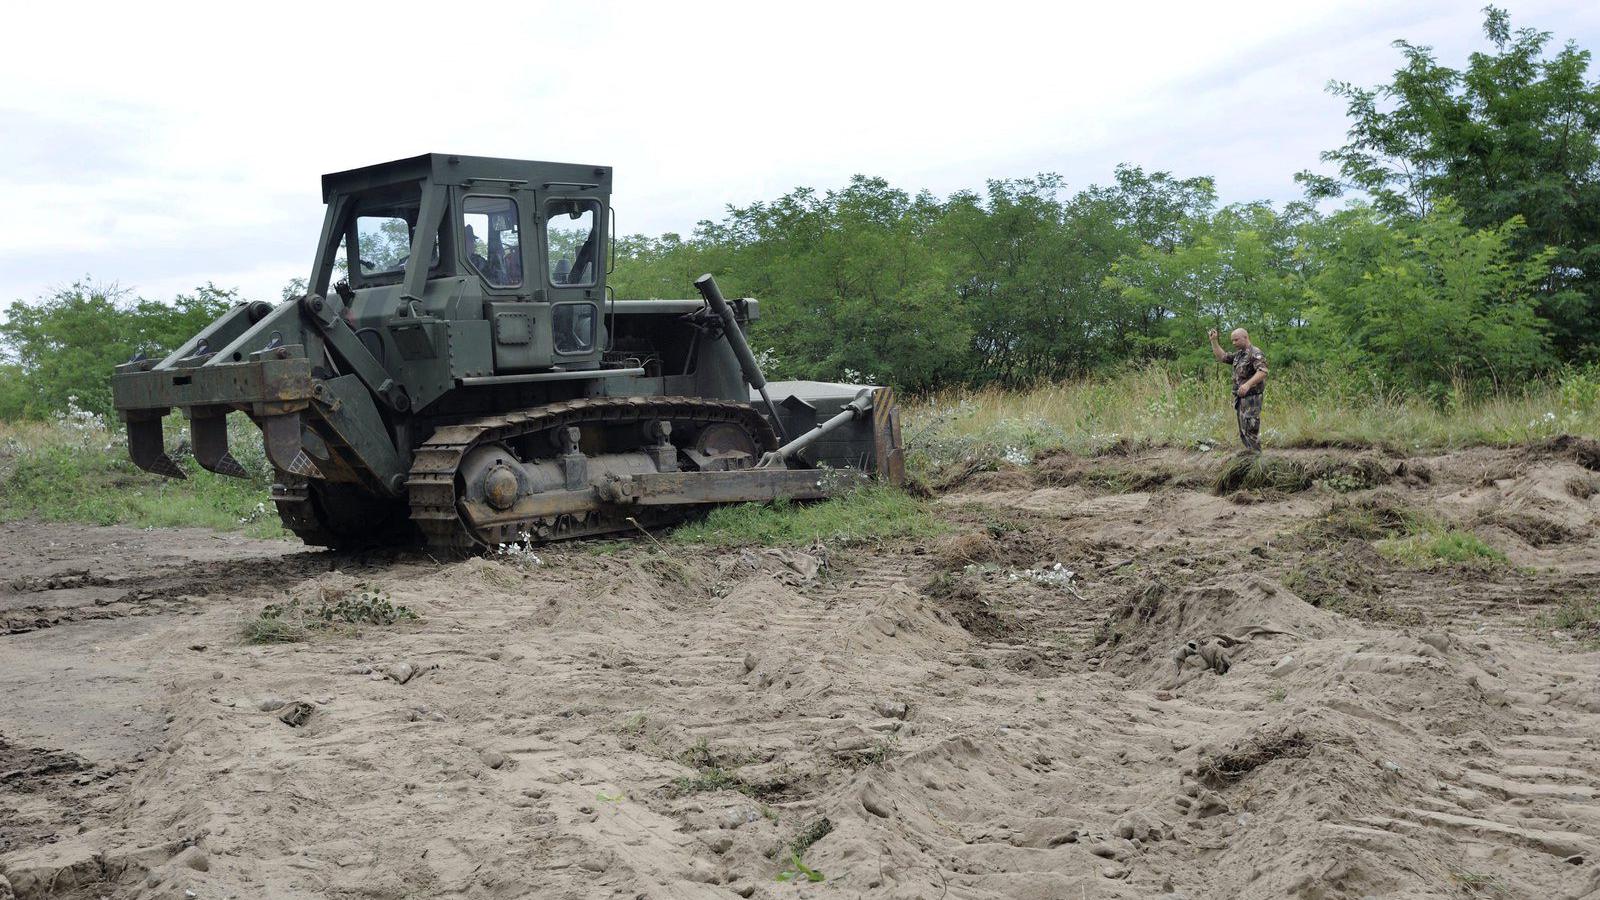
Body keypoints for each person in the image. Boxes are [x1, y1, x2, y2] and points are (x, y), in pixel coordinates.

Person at [1209, 327, 1267, 452]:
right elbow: (1223, 357)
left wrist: (1247, 385)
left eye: (1236, 340)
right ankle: (1250, 457)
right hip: (1240, 399)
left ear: (1245, 338)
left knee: (1251, 430)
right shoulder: (1239, 354)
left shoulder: (1255, 353)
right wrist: (1214, 341)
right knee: (1243, 431)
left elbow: (1262, 372)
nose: (1234, 343)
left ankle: (1257, 459)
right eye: (1232, 341)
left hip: (1252, 398)